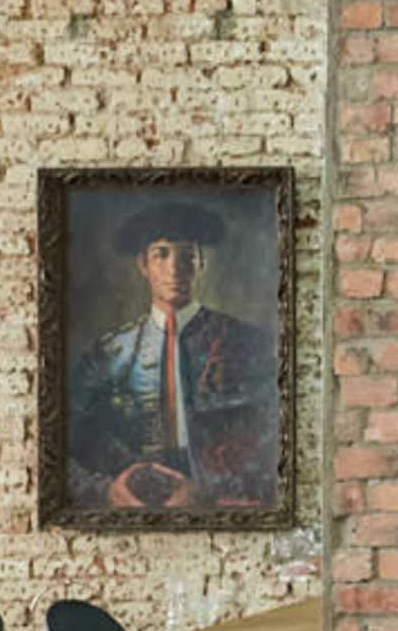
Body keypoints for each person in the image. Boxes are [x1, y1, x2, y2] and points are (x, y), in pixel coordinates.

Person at [65, 199, 278, 512]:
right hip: (134, 499)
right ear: (143, 265)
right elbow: (64, 441)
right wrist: (107, 490)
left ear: (201, 263)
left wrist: (207, 492)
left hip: (219, 499)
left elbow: (274, 441)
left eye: (187, 255)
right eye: (161, 254)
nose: (175, 269)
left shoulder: (247, 343)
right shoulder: (109, 354)